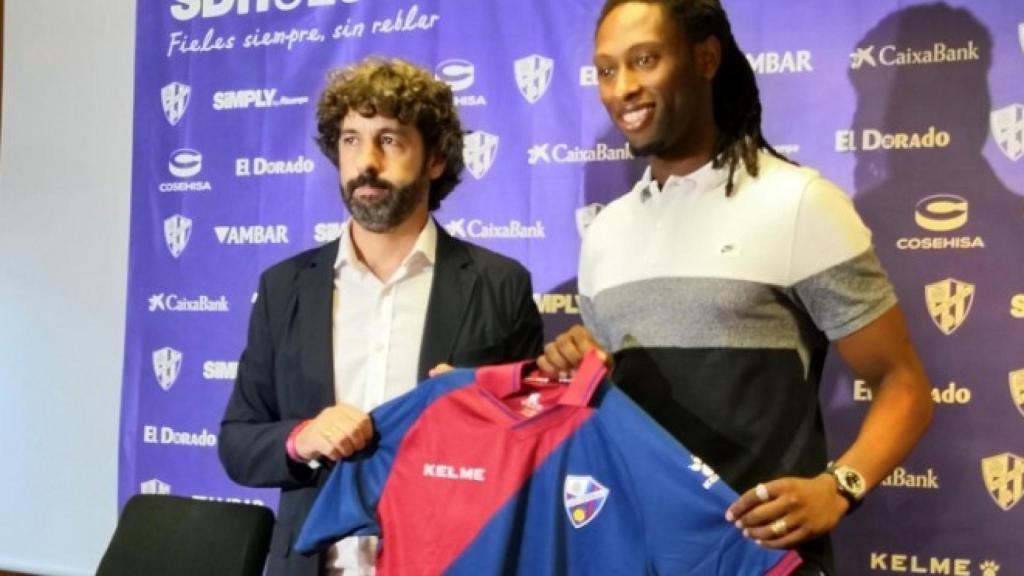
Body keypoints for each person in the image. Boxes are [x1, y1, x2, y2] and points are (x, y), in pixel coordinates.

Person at [538, 1, 934, 573]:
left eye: (644, 60)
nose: (622, 87)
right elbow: (612, 411)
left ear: (705, 58)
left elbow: (904, 386)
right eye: (606, 69)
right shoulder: (605, 231)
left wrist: (840, 485)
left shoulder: (799, 203)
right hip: (631, 554)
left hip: (764, 559)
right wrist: (580, 366)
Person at [219, 57, 545, 576]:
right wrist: (302, 437)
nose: (365, 161)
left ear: (435, 159)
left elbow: (536, 449)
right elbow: (237, 442)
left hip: (453, 561)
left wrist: (474, 413)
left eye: (389, 139)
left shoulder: (500, 285)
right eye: (350, 140)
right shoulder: (284, 288)